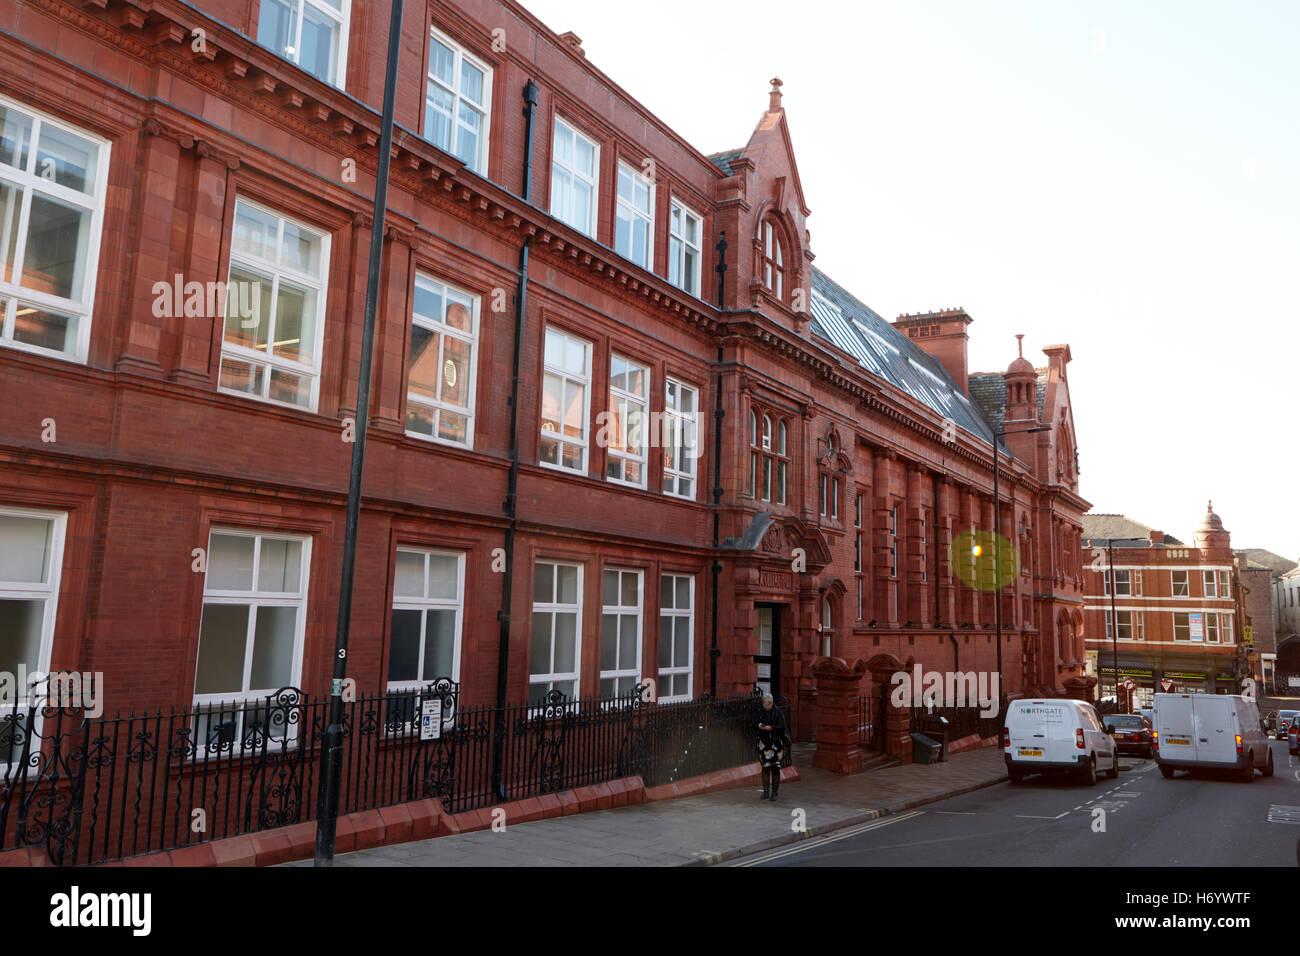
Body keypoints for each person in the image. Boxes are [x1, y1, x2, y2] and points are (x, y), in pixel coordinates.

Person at [756, 693, 789, 801]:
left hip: (775, 743)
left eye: (768, 705)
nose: (766, 707)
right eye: (765, 704)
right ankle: (766, 792)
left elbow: (782, 726)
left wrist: (772, 728)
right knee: (765, 767)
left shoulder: (778, 712)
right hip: (764, 743)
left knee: (775, 768)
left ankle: (774, 792)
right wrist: (759, 725)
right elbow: (754, 722)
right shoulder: (760, 711)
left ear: (771, 703)